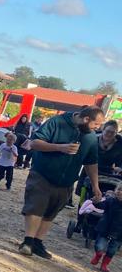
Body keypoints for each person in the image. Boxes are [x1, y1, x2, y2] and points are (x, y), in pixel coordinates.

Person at [18, 105, 104, 259]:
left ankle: (38, 242)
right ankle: (27, 241)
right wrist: (60, 147)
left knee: (52, 210)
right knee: (36, 206)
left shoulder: (90, 137)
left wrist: (96, 185)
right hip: (42, 174)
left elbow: (91, 162)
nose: (97, 129)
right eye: (95, 125)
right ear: (86, 119)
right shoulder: (57, 122)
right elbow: (35, 143)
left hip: (66, 181)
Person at [90, 190, 121, 272]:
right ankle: (98, 255)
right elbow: (101, 205)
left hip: (119, 232)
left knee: (112, 250)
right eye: (119, 190)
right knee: (99, 245)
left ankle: (104, 264)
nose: (120, 192)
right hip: (106, 227)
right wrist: (96, 202)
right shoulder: (110, 200)